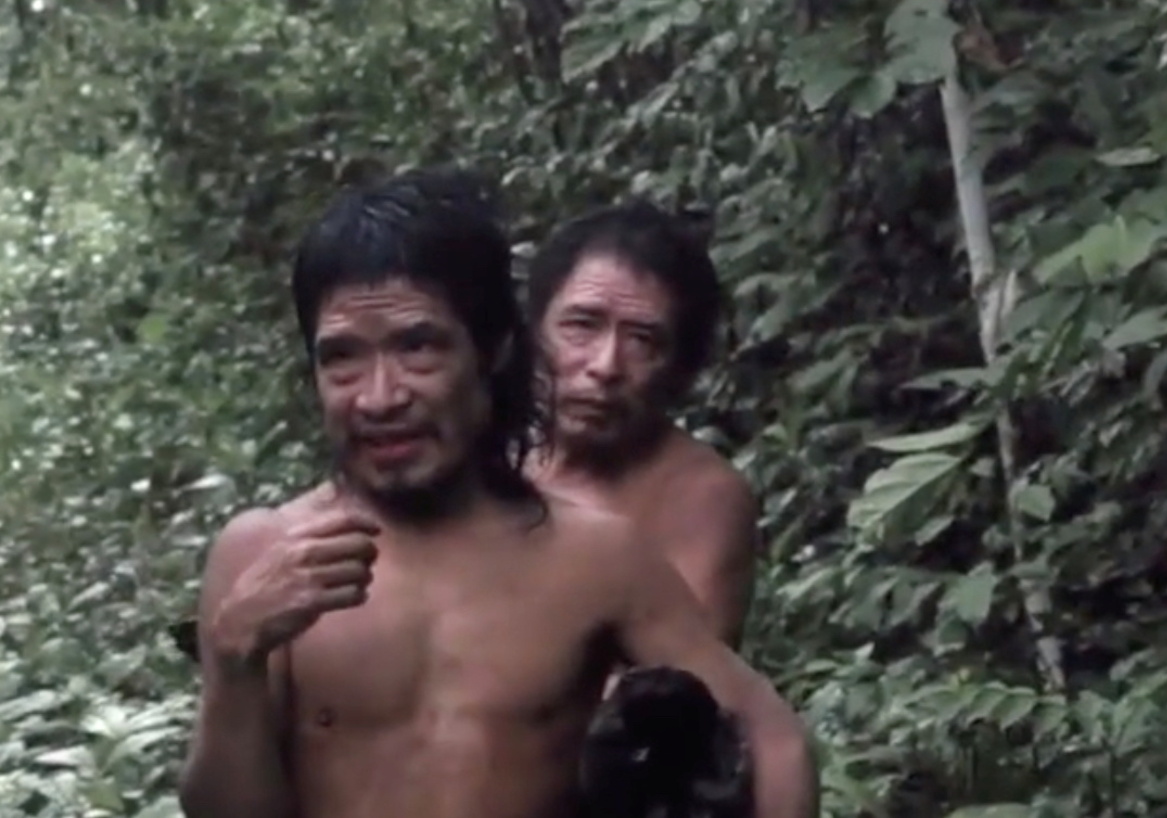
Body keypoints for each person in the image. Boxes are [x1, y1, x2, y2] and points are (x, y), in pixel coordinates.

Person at [176, 168, 818, 818]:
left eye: (418, 348)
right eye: (342, 358)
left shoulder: (596, 557)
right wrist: (234, 663)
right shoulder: (263, 553)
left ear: (494, 350)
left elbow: (773, 738)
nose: (379, 398)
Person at [525, 201, 758, 648]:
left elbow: (684, 676)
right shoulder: (481, 452)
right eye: (582, 325)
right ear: (534, 332)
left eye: (642, 340)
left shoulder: (698, 495)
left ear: (678, 367)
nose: (605, 366)